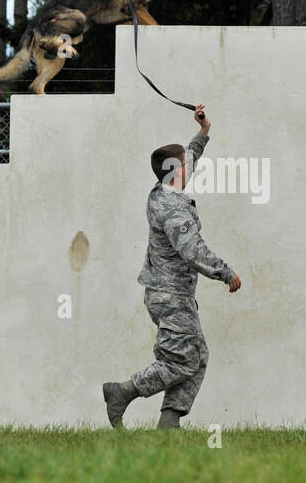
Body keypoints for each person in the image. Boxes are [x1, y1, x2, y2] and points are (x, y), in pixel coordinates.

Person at [103, 105, 241, 429]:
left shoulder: (167, 188)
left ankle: (169, 421)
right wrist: (226, 273)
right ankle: (122, 392)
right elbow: (192, 250)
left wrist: (204, 130)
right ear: (175, 171)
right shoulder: (171, 209)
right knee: (180, 360)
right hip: (170, 294)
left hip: (172, 292)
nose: (188, 167)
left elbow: (189, 157)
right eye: (184, 165)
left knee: (196, 356)